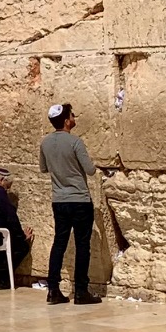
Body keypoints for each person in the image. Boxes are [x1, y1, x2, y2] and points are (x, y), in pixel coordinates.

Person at [40, 103, 101, 305]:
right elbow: (90, 170)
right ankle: (81, 291)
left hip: (59, 201)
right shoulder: (76, 142)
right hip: (80, 200)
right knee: (82, 245)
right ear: (66, 120)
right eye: (72, 115)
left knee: (59, 243)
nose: (75, 117)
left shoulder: (45, 143)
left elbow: (43, 168)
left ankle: (53, 290)